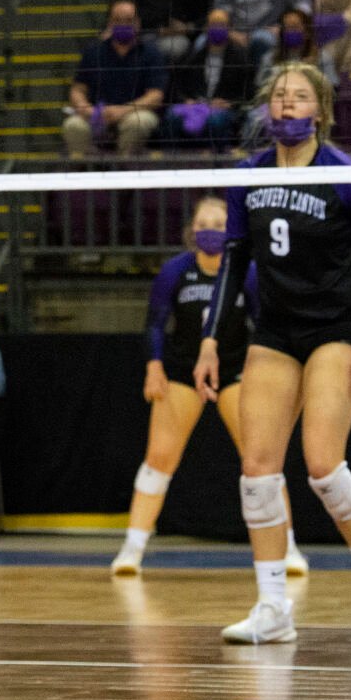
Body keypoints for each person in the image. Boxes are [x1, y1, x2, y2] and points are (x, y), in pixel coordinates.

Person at [196, 61, 351, 646]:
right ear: (269, 109)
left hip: (338, 327)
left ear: (320, 110)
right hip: (277, 330)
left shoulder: (344, 174)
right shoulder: (248, 176)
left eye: (299, 97)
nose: (288, 106)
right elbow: (234, 262)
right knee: (258, 470)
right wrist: (212, 338)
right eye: (280, 97)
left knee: (322, 465)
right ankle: (272, 607)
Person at [112, 197, 308, 577]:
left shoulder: (246, 272)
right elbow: (154, 323)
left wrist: (259, 373)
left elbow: (263, 324)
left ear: (231, 229)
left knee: (260, 463)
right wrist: (154, 367)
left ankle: (290, 549)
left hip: (234, 369)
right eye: (203, 223)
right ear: (191, 230)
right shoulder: (174, 271)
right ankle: (131, 550)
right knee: (159, 460)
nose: (210, 230)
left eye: (219, 223)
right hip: (184, 371)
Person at [62, 0, 166, 157]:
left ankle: (124, 169)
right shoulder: (93, 52)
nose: (123, 25)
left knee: (139, 122)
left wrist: (122, 111)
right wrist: (87, 109)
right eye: (118, 20)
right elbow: (77, 89)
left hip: (134, 112)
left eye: (128, 20)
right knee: (73, 125)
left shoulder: (151, 53)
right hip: (98, 114)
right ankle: (89, 169)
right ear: (110, 22)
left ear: (137, 23)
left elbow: (155, 96)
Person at [163, 7, 255, 150]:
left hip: (224, 109)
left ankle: (217, 162)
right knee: (172, 117)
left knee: (215, 121)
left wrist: (229, 103)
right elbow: (176, 86)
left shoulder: (241, 58)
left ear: (229, 28)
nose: (217, 28)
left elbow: (249, 94)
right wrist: (186, 100)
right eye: (213, 24)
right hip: (194, 105)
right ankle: (171, 162)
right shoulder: (192, 55)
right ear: (206, 27)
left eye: (221, 25)